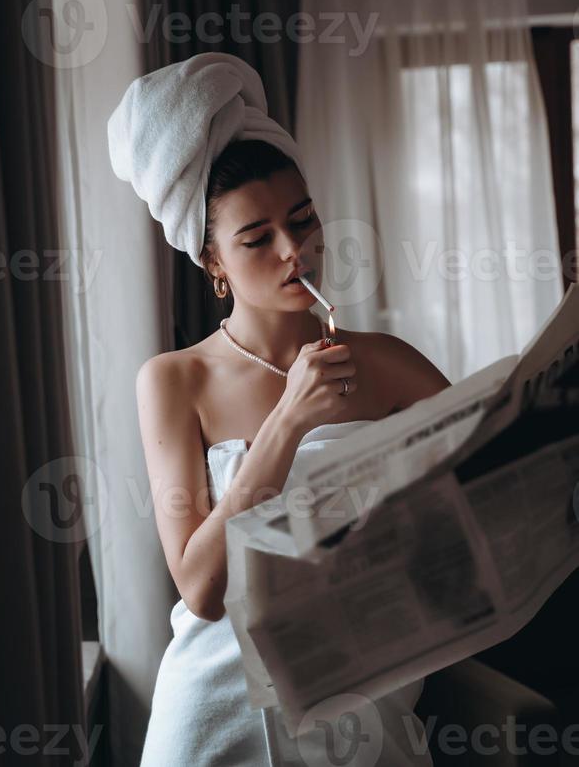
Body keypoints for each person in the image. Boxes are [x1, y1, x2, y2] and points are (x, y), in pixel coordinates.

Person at [107, 53, 450, 766]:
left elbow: (491, 481)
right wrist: (289, 418)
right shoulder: (174, 380)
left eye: (303, 220)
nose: (296, 252)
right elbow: (201, 588)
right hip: (217, 713)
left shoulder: (388, 364)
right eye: (257, 239)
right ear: (214, 266)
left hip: (359, 698)